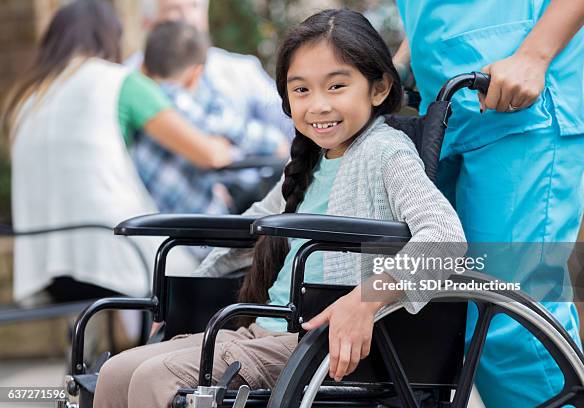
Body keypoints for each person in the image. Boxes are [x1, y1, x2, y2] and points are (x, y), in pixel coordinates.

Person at [93, 9, 466, 407]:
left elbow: (446, 239)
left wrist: (365, 300)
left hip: (312, 343)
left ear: (378, 89)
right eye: (301, 90)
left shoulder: (385, 152)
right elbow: (248, 231)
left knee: (157, 378)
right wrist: (182, 301)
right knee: (115, 373)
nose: (318, 105)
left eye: (336, 86)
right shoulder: (307, 163)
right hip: (258, 331)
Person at [393, 0, 584, 406]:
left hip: (527, 108)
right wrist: (402, 60)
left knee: (507, 321)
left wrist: (534, 54)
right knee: (420, 312)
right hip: (442, 109)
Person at [0, 0, 236, 304]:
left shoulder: (27, 98)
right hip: (118, 261)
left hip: (47, 274)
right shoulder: (118, 81)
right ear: (110, 36)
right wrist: (225, 145)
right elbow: (208, 154)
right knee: (218, 271)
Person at [133, 21, 288, 218]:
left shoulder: (138, 96)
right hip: (192, 228)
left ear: (143, 65)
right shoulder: (175, 100)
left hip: (150, 216)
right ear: (196, 73)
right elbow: (236, 133)